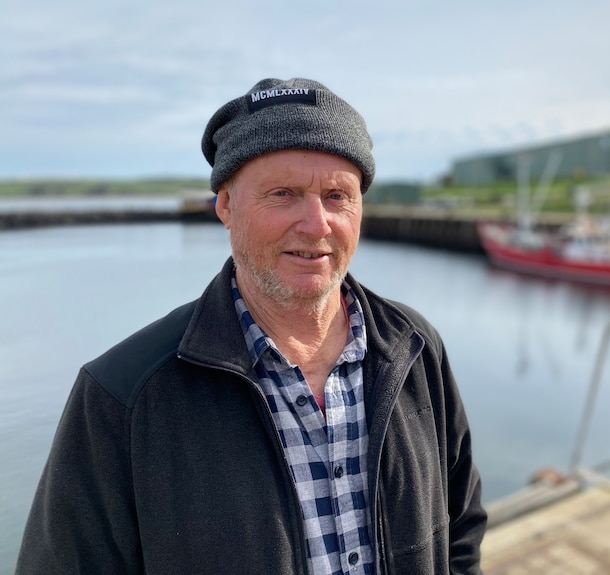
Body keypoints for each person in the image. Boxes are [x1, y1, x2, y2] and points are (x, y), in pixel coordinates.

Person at [16, 78, 486, 574]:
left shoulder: (414, 348)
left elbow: (461, 528)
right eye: (283, 194)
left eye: (336, 195)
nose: (316, 223)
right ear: (225, 206)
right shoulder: (122, 396)